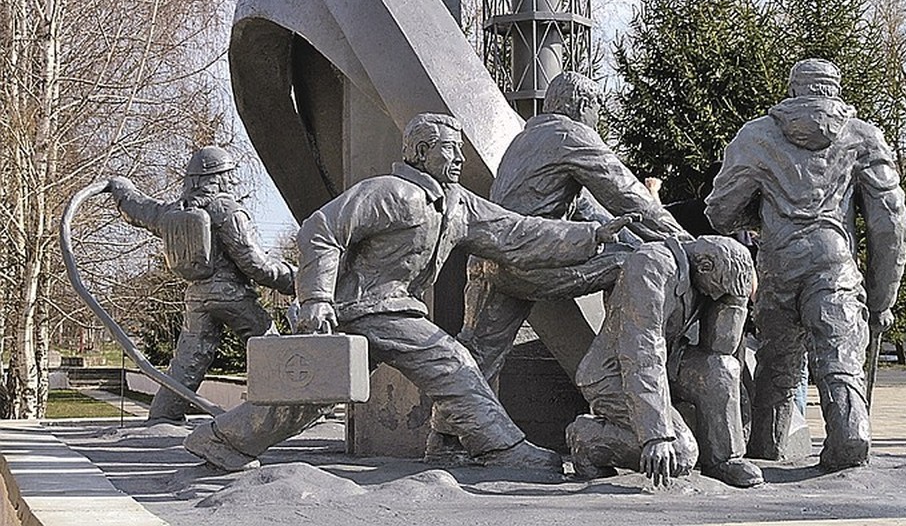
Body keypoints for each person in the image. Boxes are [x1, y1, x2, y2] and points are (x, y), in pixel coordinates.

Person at [182, 113, 633, 473]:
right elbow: (321, 229)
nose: (458, 159)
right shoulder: (392, 193)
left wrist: (590, 236)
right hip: (357, 308)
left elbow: (516, 234)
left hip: (395, 312)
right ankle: (503, 450)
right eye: (448, 150)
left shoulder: (458, 205)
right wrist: (317, 298)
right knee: (450, 361)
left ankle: (223, 440)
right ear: (421, 152)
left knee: (313, 399)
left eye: (459, 149)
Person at [449, 72, 691, 427]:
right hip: (531, 260)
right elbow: (628, 196)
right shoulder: (571, 135)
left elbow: (586, 209)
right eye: (597, 109)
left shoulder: (526, 139)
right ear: (584, 105)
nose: (598, 119)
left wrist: (634, 235)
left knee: (479, 354)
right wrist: (686, 242)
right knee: (632, 265)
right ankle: (614, 367)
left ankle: (448, 438)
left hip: (492, 259)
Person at [704, 58, 906, 471]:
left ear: (794, 89)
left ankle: (765, 446)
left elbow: (721, 211)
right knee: (841, 355)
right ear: (834, 89)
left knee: (777, 366)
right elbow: (891, 222)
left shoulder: (757, 136)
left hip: (778, 265)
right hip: (834, 263)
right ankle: (850, 434)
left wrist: (763, 214)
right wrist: (881, 296)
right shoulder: (863, 138)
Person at [109, 146, 296, 422]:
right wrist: (296, 280)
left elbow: (141, 209)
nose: (232, 180)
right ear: (216, 177)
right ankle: (290, 411)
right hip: (232, 295)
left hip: (197, 298)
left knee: (188, 360)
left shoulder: (175, 209)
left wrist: (122, 191)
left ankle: (164, 415)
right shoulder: (227, 210)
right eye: (228, 174)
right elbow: (255, 263)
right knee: (269, 346)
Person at [567, 236, 764, 488]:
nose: (715, 295)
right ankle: (589, 439)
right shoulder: (650, 265)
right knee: (681, 454)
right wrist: (656, 435)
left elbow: (719, 350)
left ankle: (723, 459)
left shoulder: (703, 272)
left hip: (670, 361)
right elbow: (641, 352)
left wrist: (734, 301)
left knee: (722, 369)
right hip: (614, 372)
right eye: (717, 288)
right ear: (704, 267)